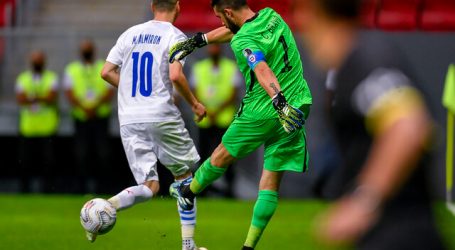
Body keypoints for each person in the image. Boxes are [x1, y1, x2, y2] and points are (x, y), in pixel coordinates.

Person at [293, 0, 446, 249]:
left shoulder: (363, 59)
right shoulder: (358, 59)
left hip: (401, 234)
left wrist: (363, 201)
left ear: (311, 11)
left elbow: (408, 126)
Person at [168, 0, 312, 249]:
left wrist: (278, 101)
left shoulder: (241, 41)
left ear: (228, 12)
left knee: (220, 156)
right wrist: (198, 40)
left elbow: (261, 67)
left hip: (265, 109)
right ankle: (248, 247)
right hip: (298, 105)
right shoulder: (272, 16)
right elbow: (237, 30)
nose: (221, 24)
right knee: (270, 181)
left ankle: (188, 192)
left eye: (220, 18)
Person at [98, 1, 207, 249]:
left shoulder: (130, 33)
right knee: (185, 178)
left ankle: (107, 205)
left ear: (152, 6)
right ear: (178, 7)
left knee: (150, 186)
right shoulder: (174, 35)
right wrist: (195, 104)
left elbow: (106, 72)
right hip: (161, 113)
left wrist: (130, 91)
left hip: (129, 117)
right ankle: (188, 245)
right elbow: (176, 75)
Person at [190, 44, 241, 197]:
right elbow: (195, 92)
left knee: (228, 155)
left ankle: (229, 190)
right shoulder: (199, 68)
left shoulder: (231, 67)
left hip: (223, 119)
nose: (214, 50)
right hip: (205, 119)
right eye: (211, 48)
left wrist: (216, 111)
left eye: (216, 48)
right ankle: (202, 189)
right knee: (204, 154)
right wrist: (207, 110)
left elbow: (234, 94)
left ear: (221, 50)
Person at [64, 39, 114, 193]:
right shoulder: (72, 69)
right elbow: (69, 92)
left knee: (103, 153)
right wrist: (85, 108)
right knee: (81, 154)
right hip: (81, 118)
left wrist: (93, 107)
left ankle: (103, 187)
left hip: (100, 118)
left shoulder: (102, 67)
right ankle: (81, 188)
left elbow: (109, 91)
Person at [16, 50, 58, 193]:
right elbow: (21, 99)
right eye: (35, 59)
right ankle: (24, 191)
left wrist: (32, 97)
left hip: (47, 128)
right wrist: (42, 97)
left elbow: (51, 98)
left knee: (48, 163)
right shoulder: (23, 78)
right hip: (28, 128)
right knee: (25, 163)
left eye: (39, 59)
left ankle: (48, 190)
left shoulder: (51, 77)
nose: (37, 62)